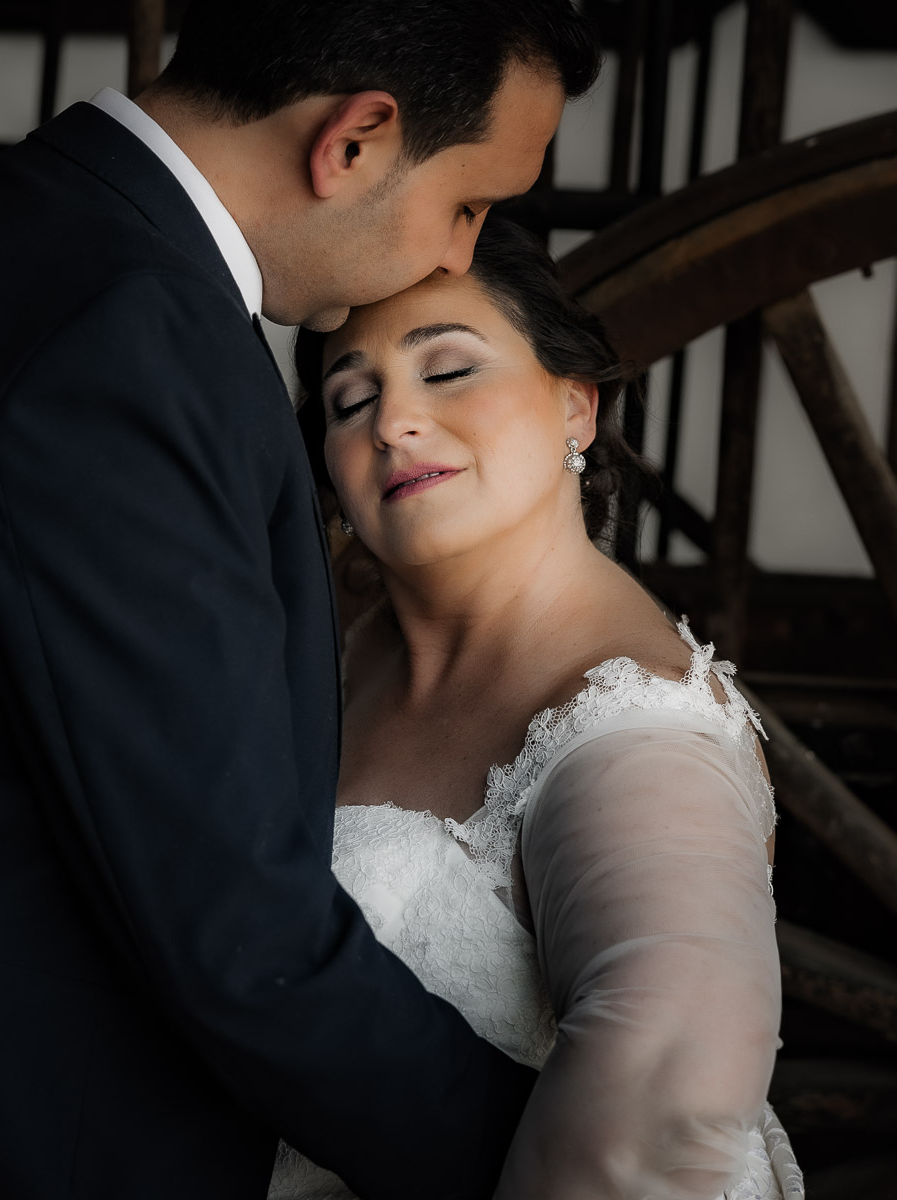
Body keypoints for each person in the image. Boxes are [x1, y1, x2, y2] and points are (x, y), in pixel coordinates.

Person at [0, 3, 599, 1198]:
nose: (458, 255)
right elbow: (234, 929)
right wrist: (569, 1167)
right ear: (355, 142)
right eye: (468, 204)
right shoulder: (125, 332)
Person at [275, 216, 803, 1198]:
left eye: (447, 371)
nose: (393, 422)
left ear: (574, 406)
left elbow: (662, 1114)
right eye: (352, 399)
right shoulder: (344, 655)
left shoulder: (635, 731)